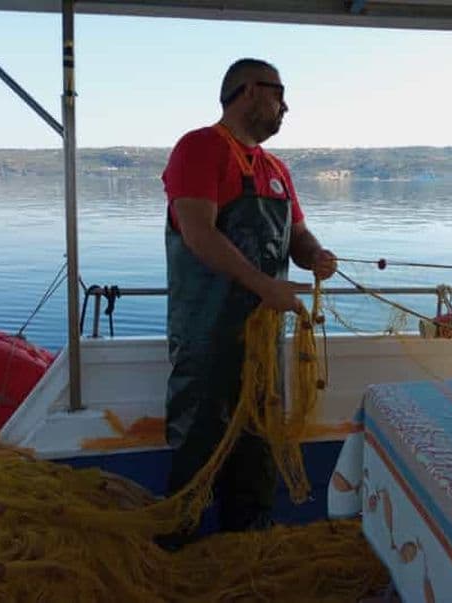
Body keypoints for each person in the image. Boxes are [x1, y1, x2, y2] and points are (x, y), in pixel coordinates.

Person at [160, 58, 337, 536]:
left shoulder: (276, 168)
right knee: (199, 441)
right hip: (206, 337)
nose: (286, 106)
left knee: (258, 439)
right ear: (249, 91)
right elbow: (199, 233)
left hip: (261, 338)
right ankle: (179, 544)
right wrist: (265, 286)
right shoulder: (199, 148)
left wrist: (317, 255)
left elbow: (297, 235)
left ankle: (248, 539)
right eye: (280, 94)